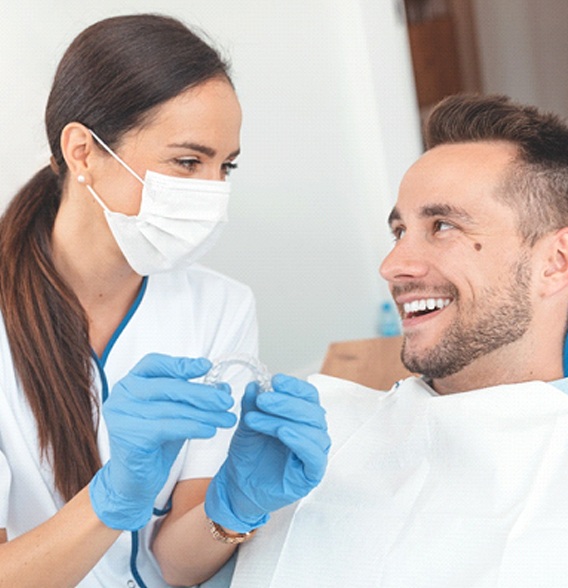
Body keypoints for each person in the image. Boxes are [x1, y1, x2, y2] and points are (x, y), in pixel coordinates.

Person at [228, 94, 568, 587]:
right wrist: (225, 516)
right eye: (399, 231)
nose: (392, 267)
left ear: (556, 261)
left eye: (443, 226)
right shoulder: (321, 433)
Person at [0, 14, 328, 587]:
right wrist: (110, 497)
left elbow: (174, 567)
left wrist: (232, 508)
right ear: (82, 151)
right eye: (186, 162)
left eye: (225, 166)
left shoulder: (219, 306)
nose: (212, 192)